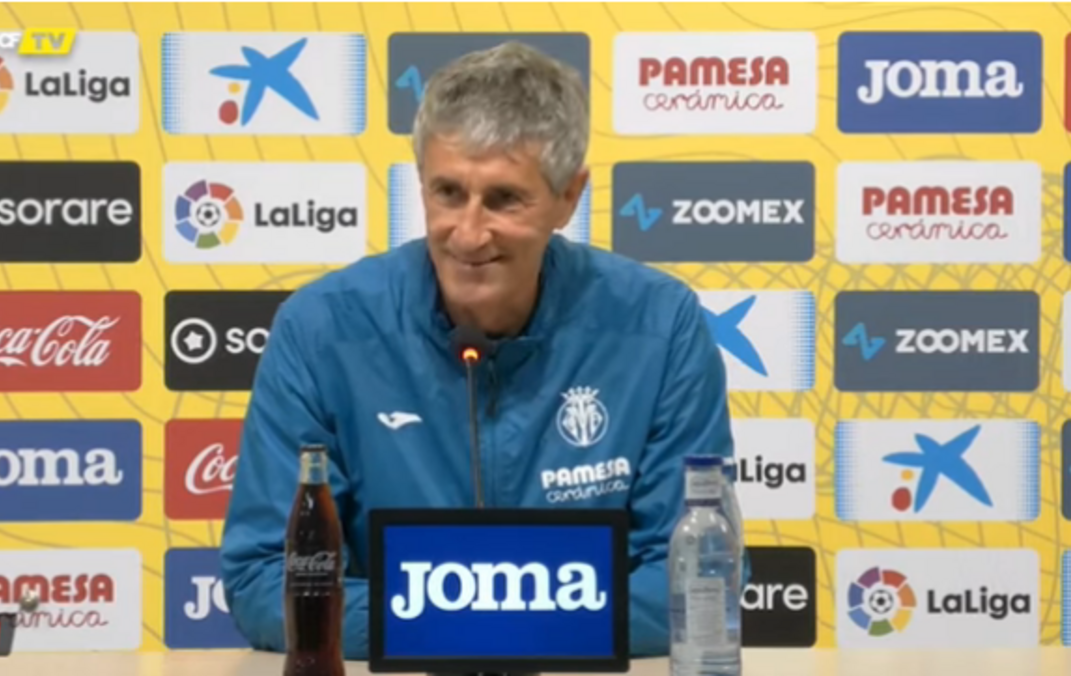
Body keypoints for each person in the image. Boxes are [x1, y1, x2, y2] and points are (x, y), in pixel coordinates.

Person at [219, 41, 735, 659]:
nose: (467, 234)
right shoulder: (321, 329)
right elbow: (266, 580)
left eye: (503, 199)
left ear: (569, 197)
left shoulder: (660, 324)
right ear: (420, 184)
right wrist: (503, 625)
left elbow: (700, 579)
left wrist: (456, 620)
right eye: (447, 192)